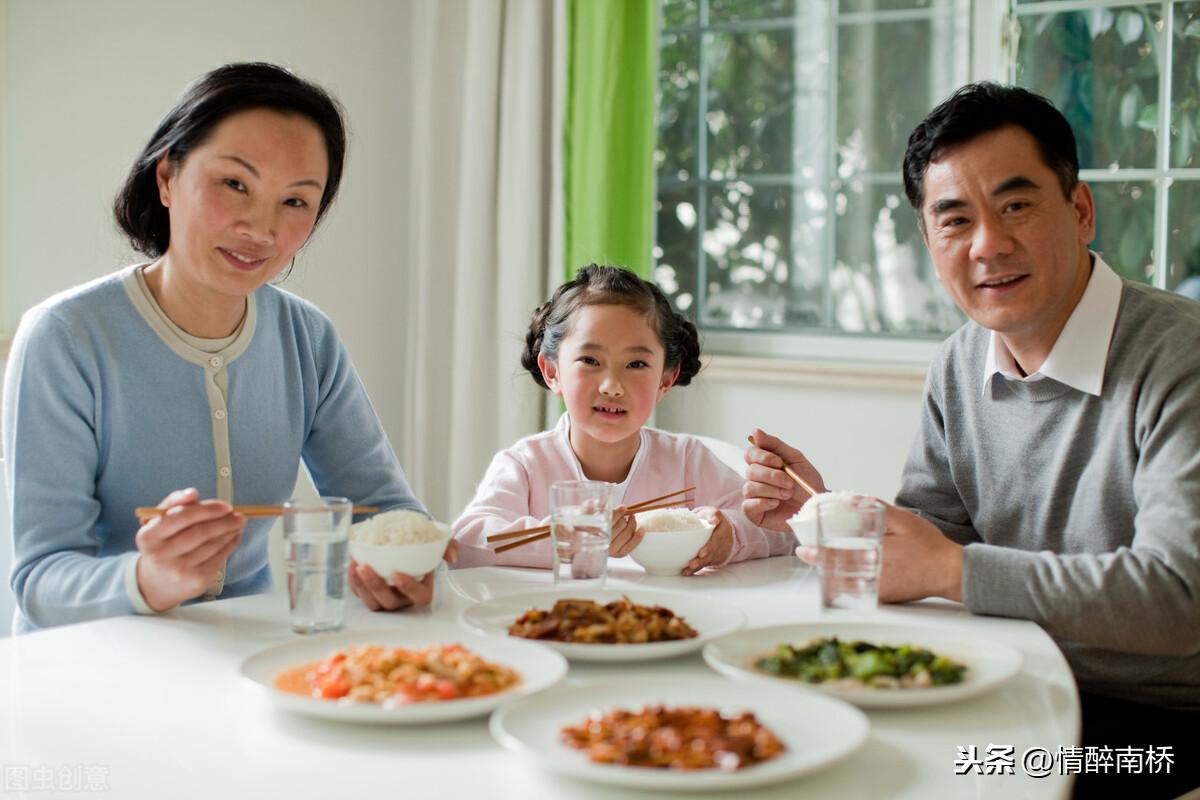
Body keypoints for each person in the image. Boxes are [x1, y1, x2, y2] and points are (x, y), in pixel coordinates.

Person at [743, 82, 1199, 797]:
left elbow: (1179, 599)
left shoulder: (1180, 357)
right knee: (789, 732)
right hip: (1004, 673)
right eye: (956, 220)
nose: (989, 244)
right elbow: (937, 535)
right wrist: (835, 518)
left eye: (1016, 205)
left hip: (1155, 731)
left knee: (922, 775)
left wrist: (954, 572)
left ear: (1081, 211)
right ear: (930, 242)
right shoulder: (960, 360)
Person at [3, 62, 447, 632]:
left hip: (242, 653)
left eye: (295, 202)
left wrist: (404, 564)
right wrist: (147, 579)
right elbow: (40, 581)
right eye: (234, 184)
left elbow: (384, 510)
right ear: (167, 178)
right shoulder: (65, 338)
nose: (260, 228)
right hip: (88, 664)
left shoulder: (307, 339)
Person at [453, 265, 793, 572]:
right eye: (589, 360)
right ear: (552, 370)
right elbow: (468, 541)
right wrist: (577, 536)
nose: (612, 386)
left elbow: (781, 530)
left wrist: (728, 538)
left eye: (636, 364)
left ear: (666, 379)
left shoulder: (688, 460)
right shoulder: (525, 464)